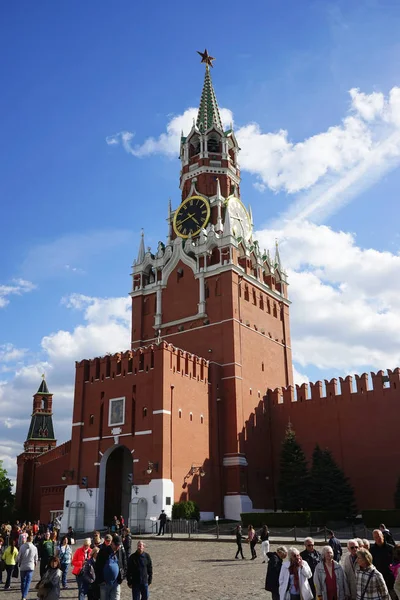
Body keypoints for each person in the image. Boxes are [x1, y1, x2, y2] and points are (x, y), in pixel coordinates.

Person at [95, 534, 127, 600]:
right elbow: (97, 566)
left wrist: (122, 576)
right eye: (117, 545)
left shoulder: (120, 552)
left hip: (116, 582)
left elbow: (124, 564)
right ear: (112, 543)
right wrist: (100, 580)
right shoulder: (103, 552)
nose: (118, 547)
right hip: (104, 584)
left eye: (119, 545)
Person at [371, 528, 395, 595]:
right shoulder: (372, 550)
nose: (377, 538)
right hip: (378, 579)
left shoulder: (391, 548)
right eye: (375, 537)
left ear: (382, 536)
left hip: (390, 579)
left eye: (379, 536)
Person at [18, 533, 38, 600]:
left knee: (23, 581)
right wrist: (35, 563)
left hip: (23, 566)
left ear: (27, 539)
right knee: (28, 581)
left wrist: (19, 562)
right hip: (30, 566)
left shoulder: (22, 546)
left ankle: (23, 594)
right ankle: (24, 595)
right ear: (32, 540)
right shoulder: (35, 548)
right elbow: (36, 558)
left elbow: (19, 557)